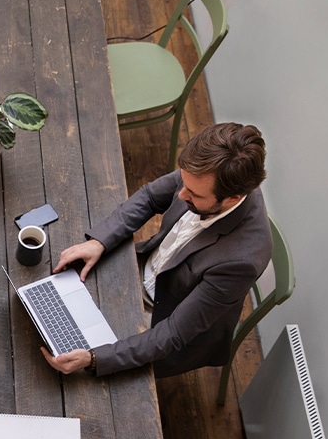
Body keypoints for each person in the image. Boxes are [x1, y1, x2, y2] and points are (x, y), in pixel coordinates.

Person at [42, 122, 273, 378]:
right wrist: (99, 241)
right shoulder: (208, 174)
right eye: (183, 182)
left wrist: (94, 358)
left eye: (194, 195)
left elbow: (173, 333)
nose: (181, 194)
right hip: (142, 269)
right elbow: (151, 197)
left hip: (163, 317)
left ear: (232, 199)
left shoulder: (241, 261)